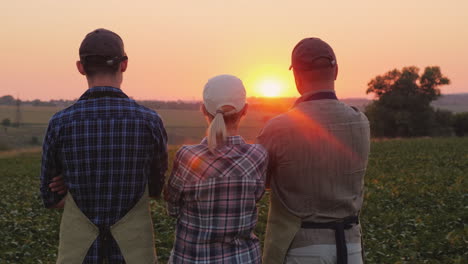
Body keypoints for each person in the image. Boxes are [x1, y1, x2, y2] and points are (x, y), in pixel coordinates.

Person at [40, 28, 168, 264]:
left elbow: (50, 198)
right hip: (134, 253)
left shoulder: (60, 123)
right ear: (124, 64)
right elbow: (154, 189)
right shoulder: (150, 122)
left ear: (80, 67)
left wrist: (74, 184)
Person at [257, 38, 370, 264]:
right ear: (336, 71)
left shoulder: (278, 128)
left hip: (300, 247)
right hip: (351, 248)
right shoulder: (361, 122)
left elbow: (262, 182)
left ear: (296, 77)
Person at [164, 75, 268, 263]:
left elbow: (172, 208)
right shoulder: (257, 156)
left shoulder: (187, 156)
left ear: (203, 109)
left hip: (192, 258)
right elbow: (257, 197)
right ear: (245, 110)